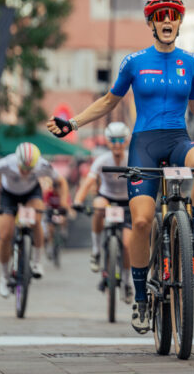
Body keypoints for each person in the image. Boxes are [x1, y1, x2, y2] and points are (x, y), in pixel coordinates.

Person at [46, 0, 194, 334]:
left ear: (179, 22)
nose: (167, 20)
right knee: (142, 222)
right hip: (143, 144)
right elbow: (108, 101)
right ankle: (142, 299)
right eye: (160, 16)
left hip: (177, 139)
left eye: (172, 15)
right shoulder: (133, 61)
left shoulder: (191, 62)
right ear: (151, 24)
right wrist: (73, 125)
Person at [0, 142, 70, 298]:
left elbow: (61, 182)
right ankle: (5, 276)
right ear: (17, 161)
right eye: (22, 168)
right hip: (8, 195)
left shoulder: (42, 164)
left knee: (36, 220)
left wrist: (64, 203)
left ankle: (37, 262)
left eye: (29, 169)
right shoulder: (7, 162)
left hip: (31, 193)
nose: (25, 172)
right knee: (5, 235)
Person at [73, 121, 133, 298]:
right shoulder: (102, 160)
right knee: (98, 206)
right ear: (107, 141)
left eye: (121, 140)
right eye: (113, 140)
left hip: (126, 203)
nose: (117, 144)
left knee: (128, 246)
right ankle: (96, 250)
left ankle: (127, 282)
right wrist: (78, 200)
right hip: (107, 198)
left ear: (126, 141)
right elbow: (88, 182)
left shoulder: (132, 158)